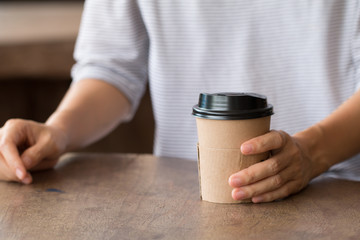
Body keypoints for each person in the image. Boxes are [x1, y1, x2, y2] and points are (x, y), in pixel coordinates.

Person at [0, 0, 360, 203]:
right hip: (187, 196)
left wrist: (312, 152)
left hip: (337, 192)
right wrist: (58, 130)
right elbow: (112, 66)